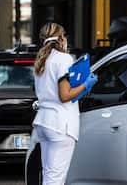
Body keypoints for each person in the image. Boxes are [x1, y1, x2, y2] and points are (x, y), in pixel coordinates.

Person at [32, 22, 97, 185]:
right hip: (61, 125)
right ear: (61, 38)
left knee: (49, 175)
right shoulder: (64, 59)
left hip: (44, 122)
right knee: (56, 179)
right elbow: (64, 95)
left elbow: (55, 94)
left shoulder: (42, 60)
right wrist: (86, 84)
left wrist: (81, 89)